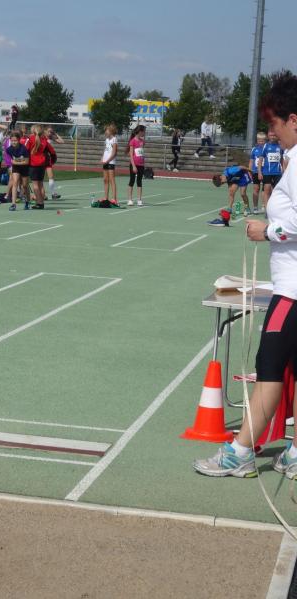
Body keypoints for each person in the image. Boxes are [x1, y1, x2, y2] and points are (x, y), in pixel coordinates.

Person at [193, 73, 297, 479]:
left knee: (269, 367)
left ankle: (240, 452)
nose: (271, 132)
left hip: (292, 291)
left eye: (274, 123)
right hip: (290, 285)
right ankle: (294, 452)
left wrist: (267, 231)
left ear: (293, 119)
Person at [27, 125, 55, 210]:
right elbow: (52, 151)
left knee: (35, 185)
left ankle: (40, 203)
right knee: (40, 184)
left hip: (33, 164)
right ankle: (41, 201)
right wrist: (52, 161)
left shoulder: (31, 139)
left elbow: (26, 150)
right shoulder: (44, 140)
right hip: (42, 164)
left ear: (33, 131)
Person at [261, 131, 285, 211]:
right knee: (267, 190)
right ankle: (267, 209)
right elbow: (261, 159)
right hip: (267, 172)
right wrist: (260, 172)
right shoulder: (266, 146)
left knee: (276, 192)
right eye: (271, 135)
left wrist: (284, 171)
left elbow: (282, 159)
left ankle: (275, 209)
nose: (272, 137)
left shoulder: (280, 146)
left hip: (277, 172)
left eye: (274, 135)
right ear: (268, 136)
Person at [5, 131, 29, 211]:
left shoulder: (24, 149)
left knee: (25, 185)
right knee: (15, 182)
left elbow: (26, 162)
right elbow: (11, 160)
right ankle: (13, 204)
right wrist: (14, 163)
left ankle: (27, 201)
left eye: (15, 140)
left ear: (19, 140)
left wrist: (16, 162)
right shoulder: (9, 150)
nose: (13, 142)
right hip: (16, 168)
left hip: (24, 167)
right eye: (12, 141)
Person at [126, 124, 146, 206]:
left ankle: (139, 199)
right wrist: (133, 166)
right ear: (140, 132)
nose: (144, 133)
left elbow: (141, 152)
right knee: (132, 181)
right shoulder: (132, 141)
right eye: (144, 131)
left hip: (141, 164)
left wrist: (143, 161)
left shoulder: (142, 141)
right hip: (134, 164)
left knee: (139, 181)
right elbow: (131, 155)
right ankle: (130, 199)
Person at [100, 124, 119, 206]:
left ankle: (114, 198)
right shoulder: (107, 140)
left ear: (111, 131)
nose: (105, 132)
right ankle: (106, 197)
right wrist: (102, 158)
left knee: (112, 180)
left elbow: (114, 153)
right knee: (105, 179)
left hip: (111, 162)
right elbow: (105, 150)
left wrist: (107, 161)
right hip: (105, 162)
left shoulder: (114, 140)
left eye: (106, 130)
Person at [249, 132, 267, 214]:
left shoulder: (266, 149)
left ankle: (263, 206)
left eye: (262, 141)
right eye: (259, 140)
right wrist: (250, 171)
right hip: (255, 172)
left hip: (265, 172)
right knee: (256, 189)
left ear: (265, 141)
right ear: (257, 140)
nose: (261, 142)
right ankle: (255, 207)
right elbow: (251, 161)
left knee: (265, 189)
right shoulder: (254, 149)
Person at [44, 126, 63, 200]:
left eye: (51, 132)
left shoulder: (51, 138)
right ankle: (42, 194)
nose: (50, 133)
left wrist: (55, 134)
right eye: (48, 131)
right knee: (40, 178)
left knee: (51, 177)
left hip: (48, 159)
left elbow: (62, 141)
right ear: (45, 131)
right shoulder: (42, 138)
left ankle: (53, 193)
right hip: (41, 159)